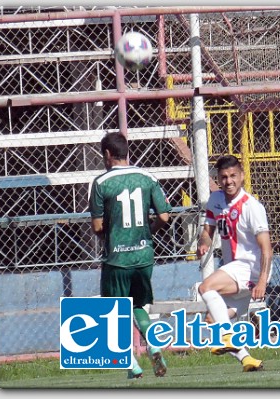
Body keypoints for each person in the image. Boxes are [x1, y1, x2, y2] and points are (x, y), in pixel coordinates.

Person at [89, 132, 172, 379]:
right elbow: (165, 216)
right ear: (127, 151)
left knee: (114, 310)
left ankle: (132, 365)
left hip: (118, 258)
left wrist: (113, 235)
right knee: (136, 304)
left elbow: (96, 227)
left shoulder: (102, 183)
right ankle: (154, 346)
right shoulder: (147, 177)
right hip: (144, 256)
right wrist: (147, 232)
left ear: (106, 154)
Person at [197, 154, 273, 372]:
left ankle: (228, 337)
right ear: (218, 179)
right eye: (224, 177)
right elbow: (207, 230)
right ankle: (248, 360)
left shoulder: (252, 207)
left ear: (242, 176)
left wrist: (262, 282)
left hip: (250, 268)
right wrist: (204, 243)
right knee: (213, 318)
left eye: (233, 176)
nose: (229, 181)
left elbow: (266, 248)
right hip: (235, 269)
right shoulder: (216, 200)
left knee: (206, 287)